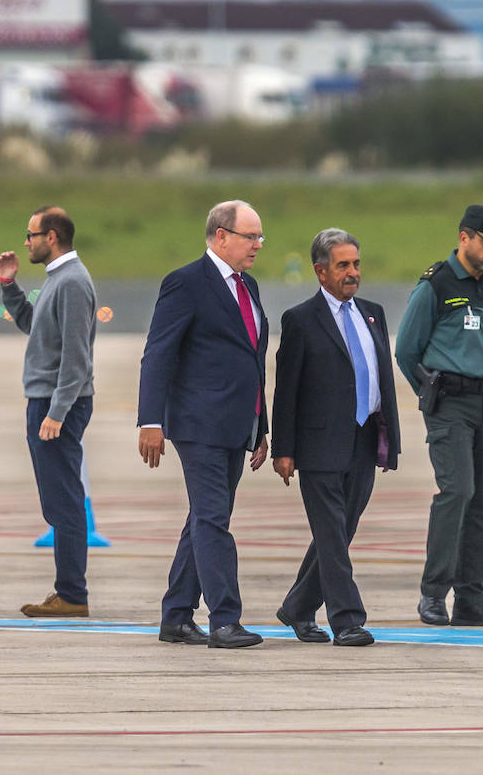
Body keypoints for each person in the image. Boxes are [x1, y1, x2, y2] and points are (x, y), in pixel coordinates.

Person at [137, 200, 270, 649]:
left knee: (204, 518)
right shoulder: (186, 282)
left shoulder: (247, 286)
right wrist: (150, 419)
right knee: (214, 520)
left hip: (237, 423)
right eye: (250, 236)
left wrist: (261, 425)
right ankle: (225, 619)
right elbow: (158, 352)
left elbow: (251, 359)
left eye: (259, 237)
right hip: (199, 424)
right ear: (220, 236)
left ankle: (175, 616)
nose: (257, 245)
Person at [270, 229, 401, 648]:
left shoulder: (373, 314)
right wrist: (283, 449)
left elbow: (383, 380)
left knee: (340, 532)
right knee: (331, 534)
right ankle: (347, 620)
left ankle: (297, 607)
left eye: (356, 264)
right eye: (343, 265)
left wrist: (389, 438)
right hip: (319, 445)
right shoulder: (301, 319)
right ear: (320, 271)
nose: (352, 273)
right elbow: (286, 389)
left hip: (365, 440)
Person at [395, 204, 483, 628]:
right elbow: (406, 350)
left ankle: (471, 598)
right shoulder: (437, 285)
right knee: (457, 492)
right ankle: (433, 594)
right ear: (464, 237)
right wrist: (432, 395)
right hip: (451, 407)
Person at [0, 206, 98, 618]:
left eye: (32, 234)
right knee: (58, 499)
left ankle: (72, 593)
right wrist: (9, 286)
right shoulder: (58, 280)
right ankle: (69, 590)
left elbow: (77, 359)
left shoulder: (72, 282)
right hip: (50, 400)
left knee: (64, 500)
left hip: (58, 402)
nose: (27, 241)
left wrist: (56, 413)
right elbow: (33, 325)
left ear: (52, 236)